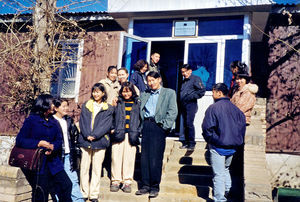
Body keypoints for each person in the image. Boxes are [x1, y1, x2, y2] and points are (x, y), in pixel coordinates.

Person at [16, 94, 72, 202]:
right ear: (44, 105)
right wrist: (38, 143)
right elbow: (20, 140)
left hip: (53, 162)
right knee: (41, 192)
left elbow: (59, 140)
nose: (54, 105)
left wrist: (53, 147)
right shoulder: (31, 120)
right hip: (38, 163)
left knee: (66, 185)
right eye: (52, 103)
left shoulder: (54, 121)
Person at [135, 71, 178, 198]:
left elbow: (172, 111)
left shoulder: (169, 93)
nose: (151, 83)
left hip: (158, 126)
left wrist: (165, 126)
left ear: (159, 79)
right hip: (146, 126)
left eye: (153, 80)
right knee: (144, 157)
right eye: (148, 81)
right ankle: (145, 185)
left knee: (155, 158)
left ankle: (154, 186)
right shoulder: (144, 94)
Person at [202, 83, 246, 202]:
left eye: (213, 91)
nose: (212, 94)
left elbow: (207, 129)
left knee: (219, 174)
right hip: (232, 146)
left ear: (219, 93)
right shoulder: (236, 110)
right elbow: (242, 128)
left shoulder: (213, 108)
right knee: (225, 170)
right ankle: (227, 191)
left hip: (218, 146)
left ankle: (220, 199)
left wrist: (213, 140)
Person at [78, 83, 114, 202]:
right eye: (94, 91)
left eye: (98, 92)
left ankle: (94, 194)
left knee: (96, 169)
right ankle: (84, 192)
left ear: (103, 93)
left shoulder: (108, 108)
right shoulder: (86, 105)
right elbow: (83, 122)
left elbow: (106, 125)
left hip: (100, 141)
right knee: (84, 167)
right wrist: (87, 134)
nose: (96, 94)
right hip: (85, 140)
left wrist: (95, 135)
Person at [110, 82, 141, 193]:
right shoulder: (117, 102)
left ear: (132, 91)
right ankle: (116, 181)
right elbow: (111, 116)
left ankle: (127, 182)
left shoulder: (137, 103)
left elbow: (141, 118)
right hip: (118, 133)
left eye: (128, 91)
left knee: (129, 159)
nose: (126, 93)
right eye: (124, 91)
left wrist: (139, 131)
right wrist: (112, 128)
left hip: (132, 133)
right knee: (116, 158)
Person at [53, 98, 84, 202]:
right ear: (56, 108)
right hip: (56, 156)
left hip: (68, 155)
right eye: (63, 106)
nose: (66, 108)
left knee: (73, 180)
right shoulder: (52, 121)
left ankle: (78, 200)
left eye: (67, 106)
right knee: (58, 181)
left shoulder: (68, 120)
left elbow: (75, 136)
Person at [179, 64, 206, 150]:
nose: (183, 74)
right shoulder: (184, 81)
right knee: (185, 124)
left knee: (189, 123)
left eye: (184, 72)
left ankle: (191, 143)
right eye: (182, 72)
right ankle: (186, 142)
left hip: (191, 104)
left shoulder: (195, 79)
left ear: (190, 71)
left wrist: (191, 97)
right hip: (183, 104)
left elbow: (202, 91)